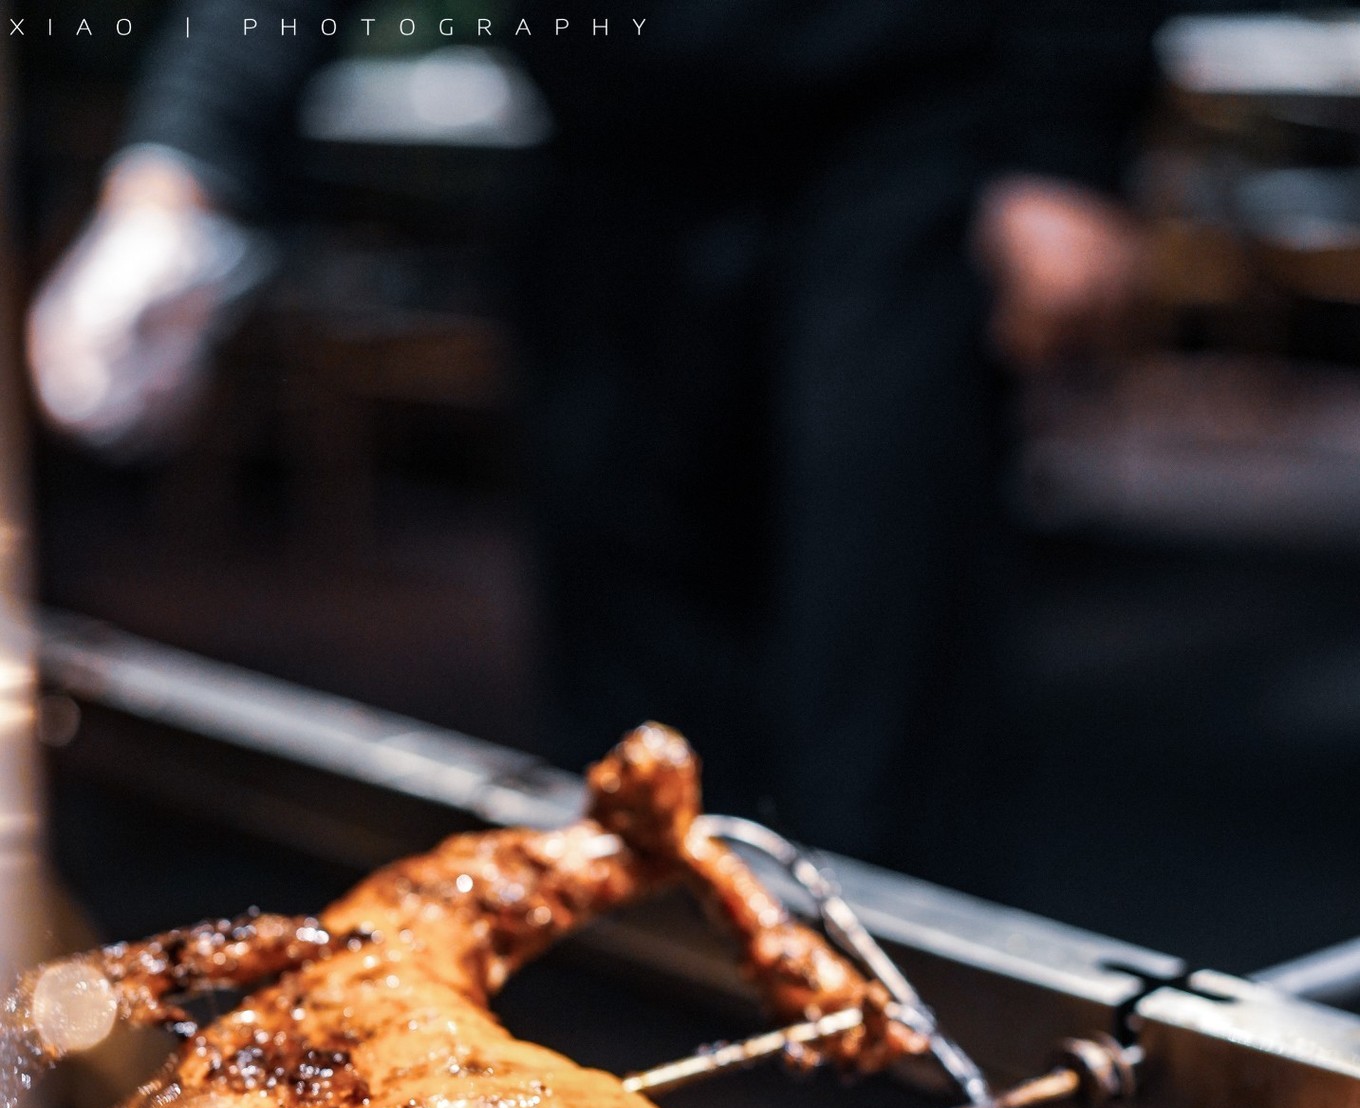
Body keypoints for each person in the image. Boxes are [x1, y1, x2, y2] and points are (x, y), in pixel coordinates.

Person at [28, 2, 1156, 874]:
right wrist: (183, 172)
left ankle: (903, 1033)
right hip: (609, 156)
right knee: (628, 670)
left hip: (897, 143)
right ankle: (666, 1023)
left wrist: (1068, 138)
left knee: (880, 650)